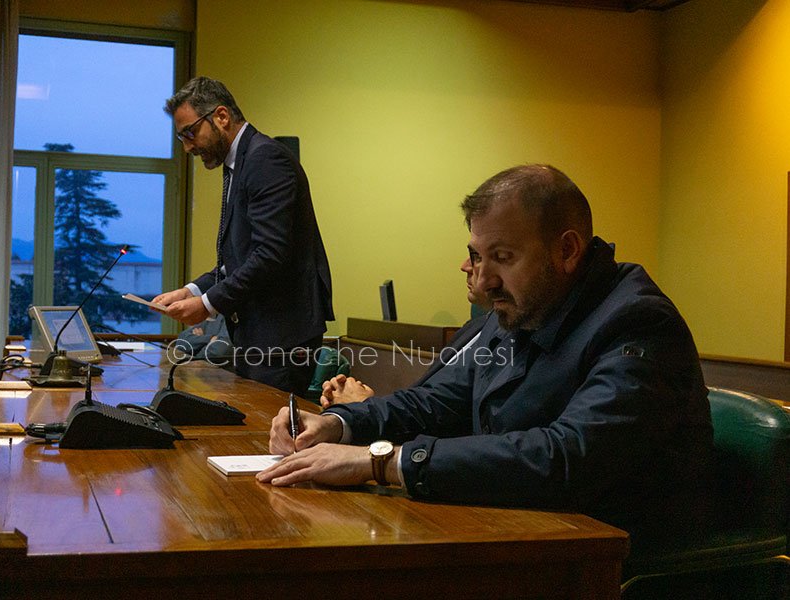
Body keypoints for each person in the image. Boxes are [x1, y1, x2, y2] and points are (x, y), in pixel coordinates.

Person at [258, 164, 714, 546]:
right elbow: (436, 401)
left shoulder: (636, 323)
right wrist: (339, 425)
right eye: (479, 255)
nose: (485, 278)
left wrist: (381, 462)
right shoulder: (524, 308)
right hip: (523, 530)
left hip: (606, 553)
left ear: (567, 250)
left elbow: (567, 457)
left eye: (503, 256)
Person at [154, 77, 333, 394]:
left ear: (221, 117)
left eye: (190, 133)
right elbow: (240, 259)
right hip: (262, 333)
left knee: (272, 435)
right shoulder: (241, 162)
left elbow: (270, 255)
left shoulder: (265, 159)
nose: (187, 147)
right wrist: (191, 290)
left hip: (280, 337)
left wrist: (207, 304)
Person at [320, 256, 492, 408]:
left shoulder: (505, 347)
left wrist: (365, 406)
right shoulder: (473, 328)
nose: (464, 266)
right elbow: (428, 399)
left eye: (478, 256)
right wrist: (361, 404)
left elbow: (448, 417)